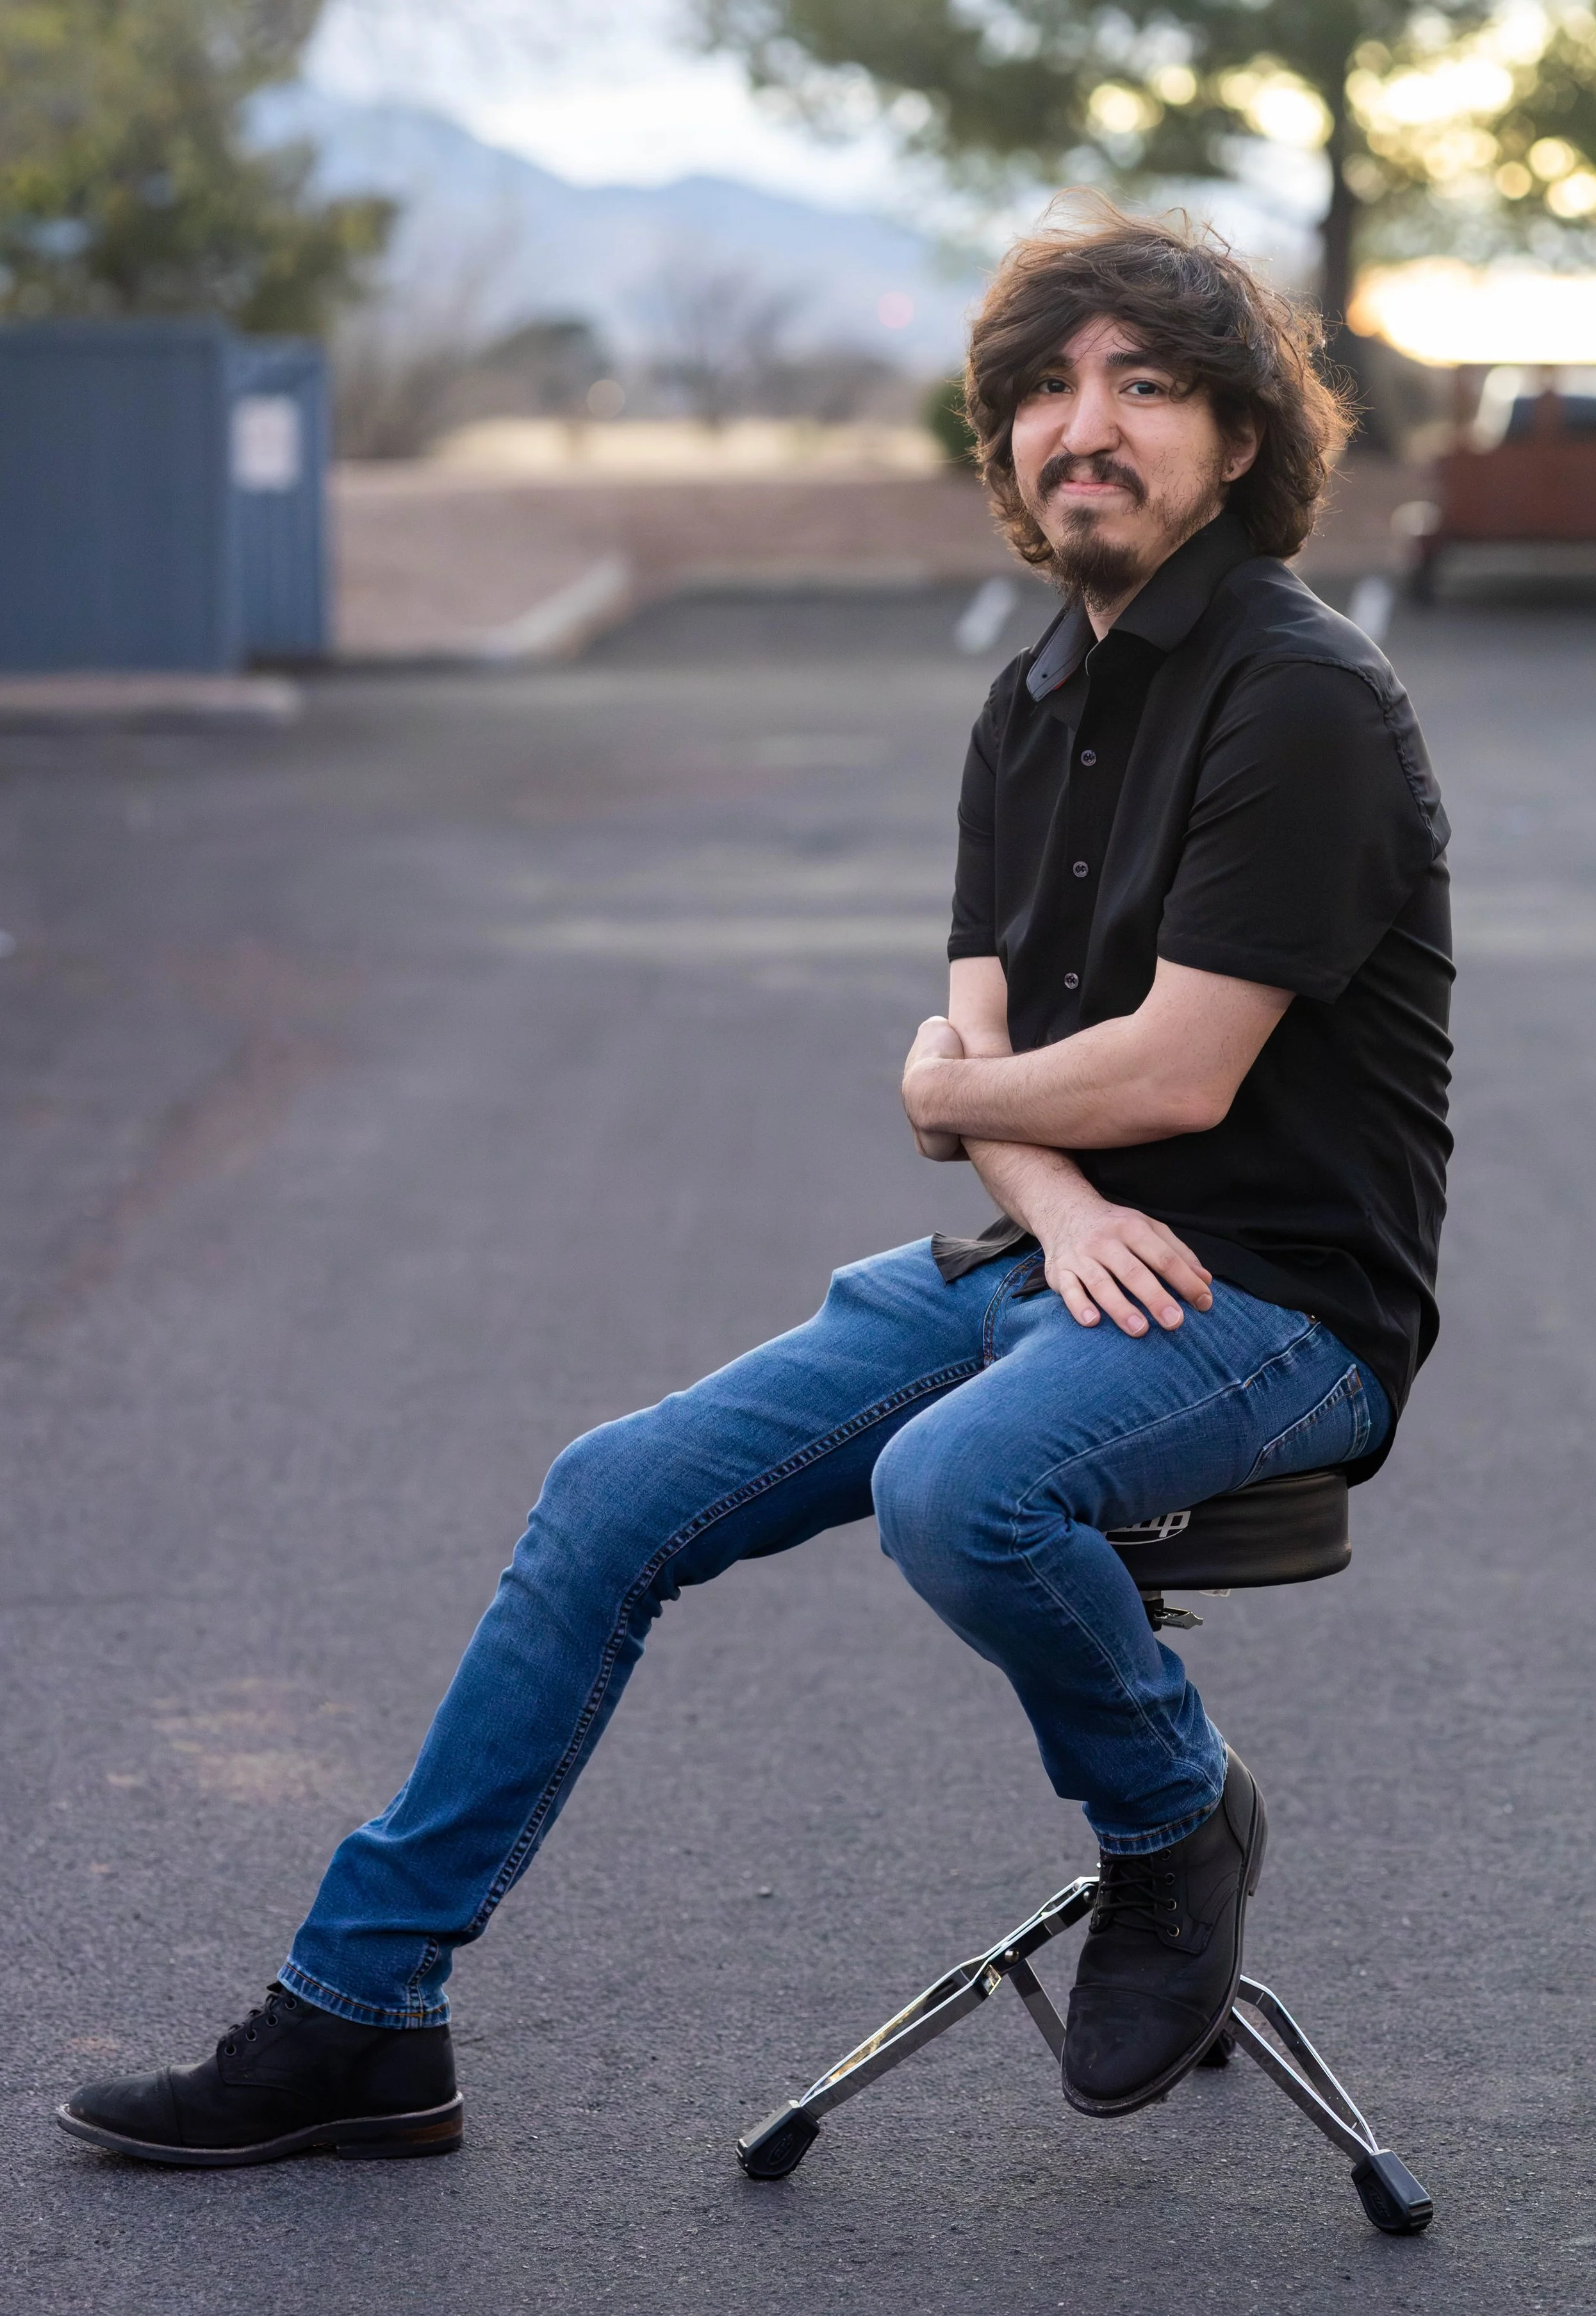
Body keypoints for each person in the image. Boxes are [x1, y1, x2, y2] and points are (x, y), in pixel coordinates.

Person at [57, 205, 1451, 2168]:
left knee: (956, 1483)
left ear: (1235, 439)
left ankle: (1170, 1817)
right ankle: (360, 2014)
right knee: (607, 1493)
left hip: (1283, 1302)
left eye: (1144, 386)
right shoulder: (1031, 700)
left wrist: (959, 1096)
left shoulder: (1298, 696)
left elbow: (1167, 1067)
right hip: (1056, 1257)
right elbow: (979, 1077)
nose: (1086, 425)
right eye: (1046, 388)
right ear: (1000, 439)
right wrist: (1034, 1193)